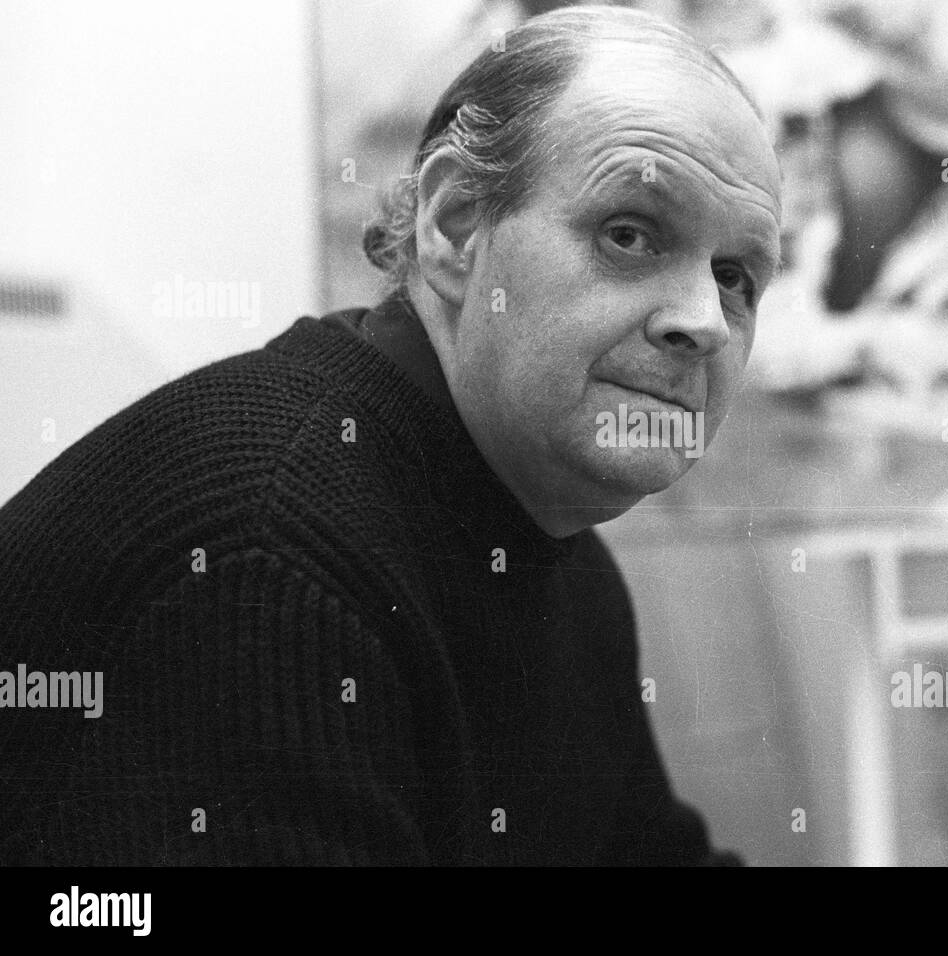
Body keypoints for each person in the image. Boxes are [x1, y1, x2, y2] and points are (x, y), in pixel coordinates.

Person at [0, 5, 782, 865]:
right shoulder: (270, 561)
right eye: (629, 234)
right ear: (453, 227)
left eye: (737, 278)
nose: (703, 321)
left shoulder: (559, 559)